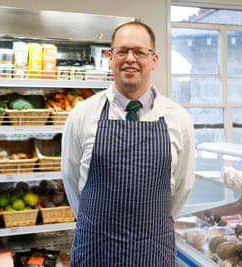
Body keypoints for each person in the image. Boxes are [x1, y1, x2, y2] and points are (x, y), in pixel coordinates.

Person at [61, 20, 195, 266]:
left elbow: (182, 189)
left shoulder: (179, 119)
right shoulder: (82, 114)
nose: (130, 59)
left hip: (154, 251)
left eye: (139, 52)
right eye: (122, 51)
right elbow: (70, 179)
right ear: (110, 58)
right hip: (95, 250)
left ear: (154, 60)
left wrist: (151, 223)